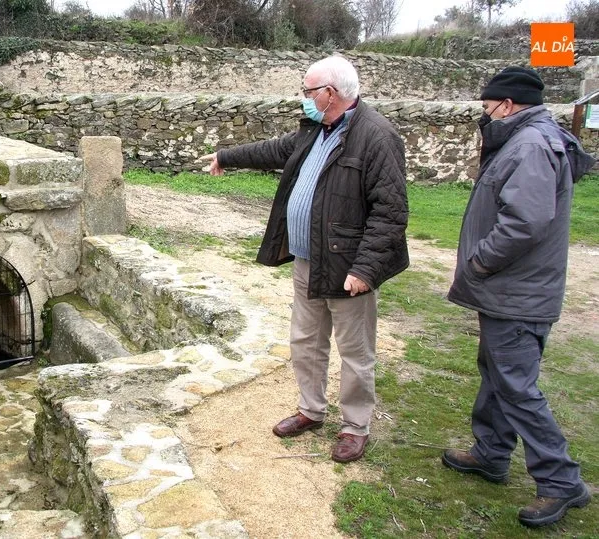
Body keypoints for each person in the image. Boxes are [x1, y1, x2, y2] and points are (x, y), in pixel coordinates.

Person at [199, 55, 409, 463]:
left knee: (355, 351)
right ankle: (311, 411)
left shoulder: (377, 136)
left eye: (309, 91)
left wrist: (365, 269)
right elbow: (273, 150)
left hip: (348, 267)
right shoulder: (317, 129)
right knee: (306, 341)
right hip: (308, 259)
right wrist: (225, 157)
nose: (305, 98)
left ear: (331, 94)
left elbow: (391, 211)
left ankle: (354, 427)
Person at [443, 66, 594, 527]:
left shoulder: (530, 145)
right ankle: (491, 453)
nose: (485, 115)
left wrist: (481, 261)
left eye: (488, 107)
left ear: (507, 105)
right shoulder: (528, 140)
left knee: (517, 386)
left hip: (517, 290)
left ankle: (561, 480)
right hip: (510, 291)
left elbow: (525, 222)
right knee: (497, 372)